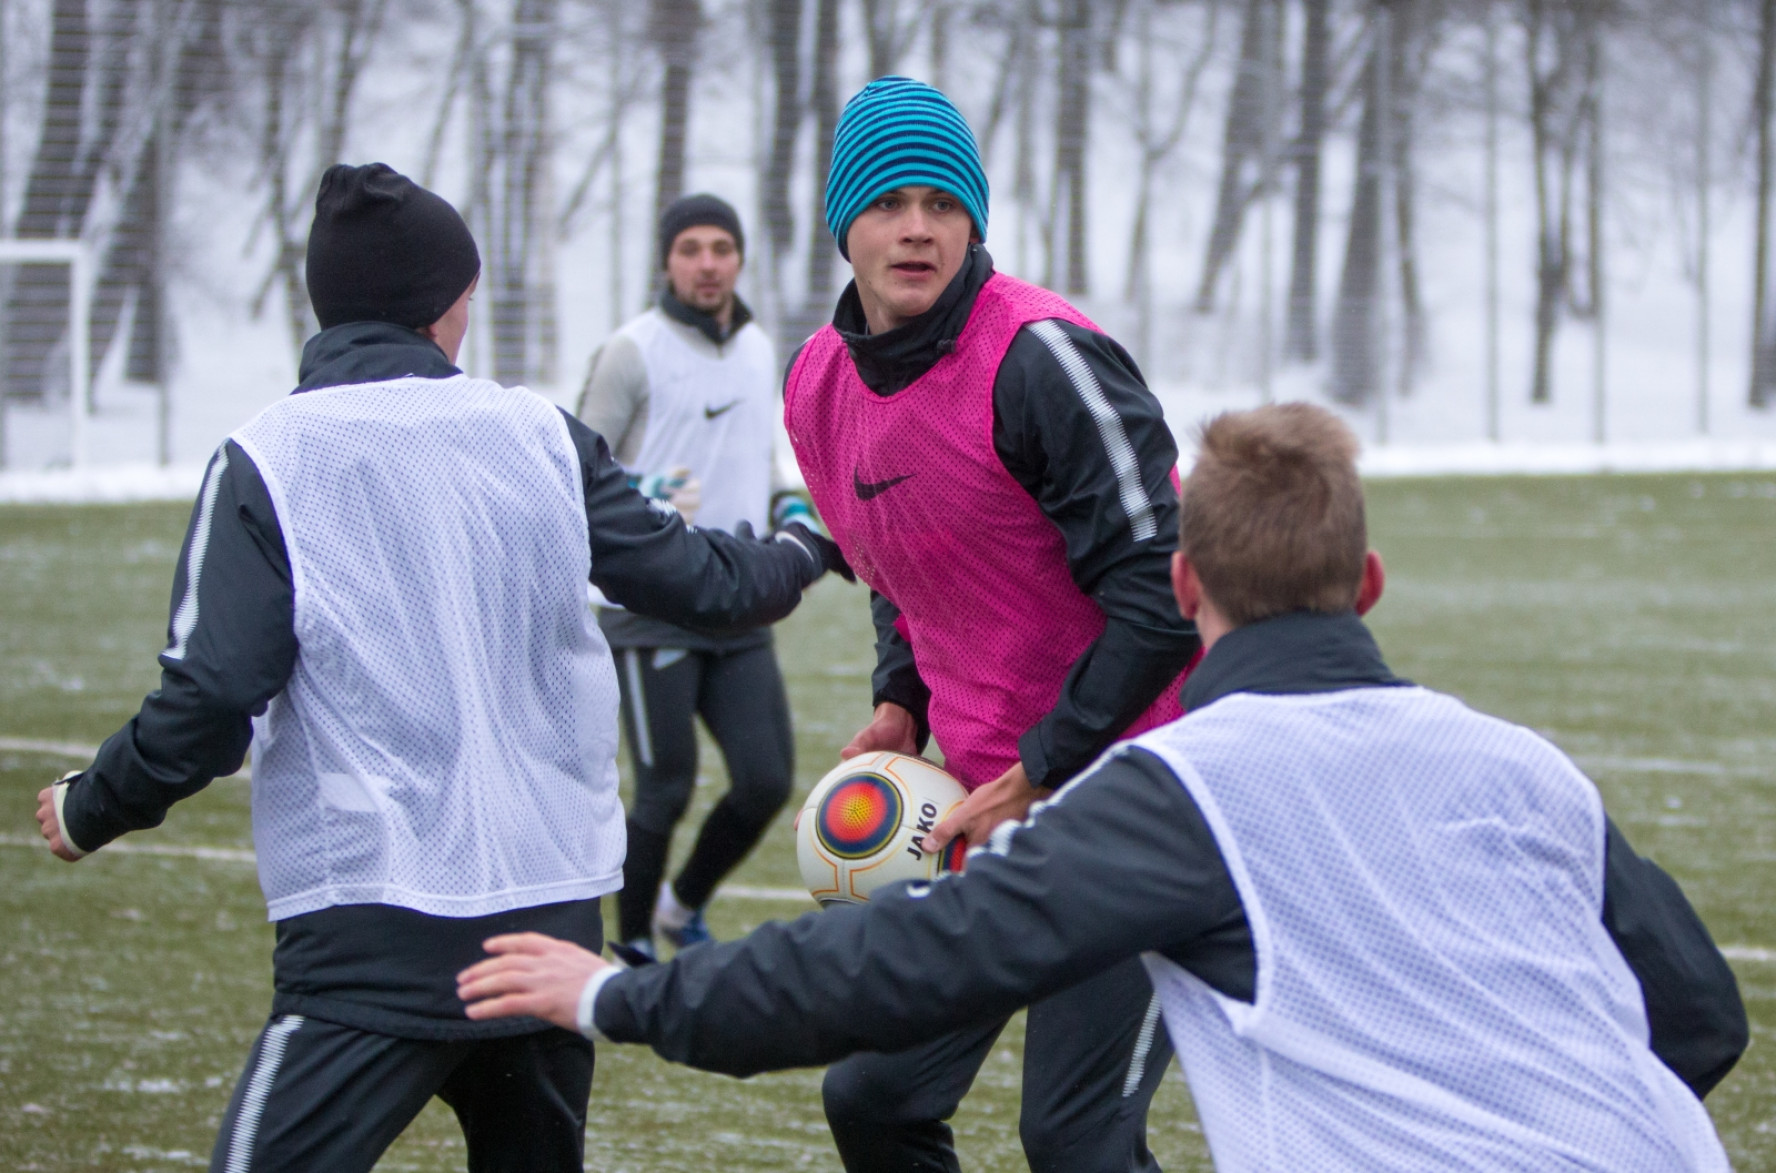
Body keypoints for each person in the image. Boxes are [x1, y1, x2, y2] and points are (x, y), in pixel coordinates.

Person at [460, 402, 1748, 1173]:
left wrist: (625, 993)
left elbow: (905, 960)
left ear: (1184, 596)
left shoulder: (1181, 791)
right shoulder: (1524, 764)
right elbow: (1699, 1021)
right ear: (1368, 587)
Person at [32, 163, 843, 1173]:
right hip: (548, 925)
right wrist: (816, 543)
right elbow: (715, 582)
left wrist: (90, 806)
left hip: (372, 927)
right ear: (446, 302)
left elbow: (208, 703)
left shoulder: (268, 458)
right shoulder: (539, 436)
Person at [776, 75, 1201, 1171]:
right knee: (873, 1096)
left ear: (974, 221)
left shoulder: (1043, 360)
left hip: (1135, 796)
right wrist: (898, 700)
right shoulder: (818, 383)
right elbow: (893, 563)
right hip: (982, 804)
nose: (917, 229)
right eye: (887, 204)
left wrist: (1048, 764)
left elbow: (1166, 594)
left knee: (1076, 1136)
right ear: (843, 226)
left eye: (943, 204)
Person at [576, 193, 809, 957]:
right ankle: (634, 945)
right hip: (652, 604)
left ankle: (682, 907)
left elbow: (756, 458)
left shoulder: (757, 349)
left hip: (738, 599)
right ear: (667, 260)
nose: (707, 263)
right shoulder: (630, 351)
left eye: (721, 247)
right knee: (666, 786)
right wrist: (642, 495)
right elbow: (573, 471)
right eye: (690, 249)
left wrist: (792, 507)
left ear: (739, 258)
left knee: (767, 780)